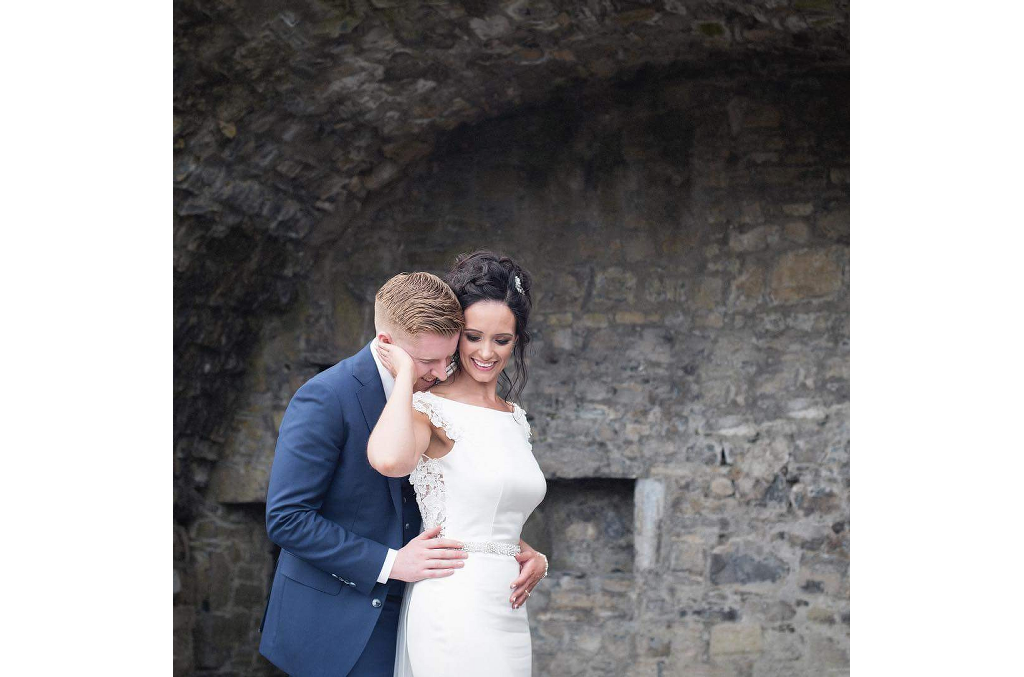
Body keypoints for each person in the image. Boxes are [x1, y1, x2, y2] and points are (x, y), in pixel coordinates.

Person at [260, 272, 493, 677]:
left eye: (449, 358)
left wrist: (512, 545)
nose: (442, 373)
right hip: (335, 623)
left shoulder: (440, 395)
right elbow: (287, 519)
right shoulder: (325, 397)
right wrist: (390, 563)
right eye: (428, 361)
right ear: (387, 344)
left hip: (424, 617)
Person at [368, 251, 549, 677]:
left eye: (501, 340)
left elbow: (496, 509)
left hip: (507, 607)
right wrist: (406, 375)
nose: (486, 352)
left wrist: (535, 557)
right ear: (455, 336)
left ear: (516, 341)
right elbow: (389, 460)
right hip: (453, 602)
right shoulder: (428, 409)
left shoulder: (515, 417)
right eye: (473, 337)